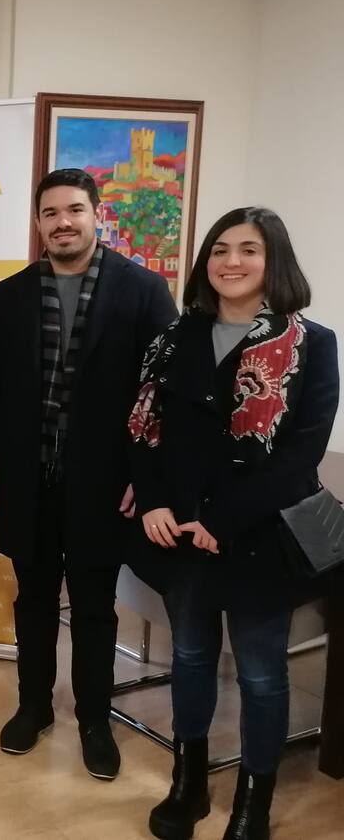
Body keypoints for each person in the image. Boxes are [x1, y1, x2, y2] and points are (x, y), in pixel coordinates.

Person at [128, 207, 338, 840]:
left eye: (249, 249)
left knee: (261, 673)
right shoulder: (173, 337)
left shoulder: (313, 343)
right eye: (220, 249)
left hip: (259, 536)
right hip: (182, 531)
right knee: (191, 657)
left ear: (274, 261)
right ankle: (187, 784)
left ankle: (254, 802)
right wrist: (154, 500)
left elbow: (302, 455)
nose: (231, 261)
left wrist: (223, 518)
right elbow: (145, 429)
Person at [0, 168, 176, 778]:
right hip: (25, 478)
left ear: (96, 215)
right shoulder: (10, 295)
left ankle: (93, 719)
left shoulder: (143, 291)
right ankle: (33, 706)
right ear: (38, 222)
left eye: (75, 210)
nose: (63, 223)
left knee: (93, 608)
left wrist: (148, 477)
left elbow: (163, 393)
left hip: (104, 483)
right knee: (32, 600)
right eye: (51, 213)